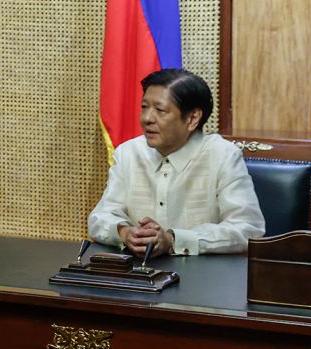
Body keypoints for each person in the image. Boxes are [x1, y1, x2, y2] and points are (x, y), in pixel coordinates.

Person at [88, 68, 264, 257]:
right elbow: (100, 218)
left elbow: (248, 229)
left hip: (203, 278)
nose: (146, 119)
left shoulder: (223, 156)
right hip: (140, 276)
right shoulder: (129, 153)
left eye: (160, 110)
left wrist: (174, 240)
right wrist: (124, 232)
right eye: (144, 107)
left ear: (192, 118)